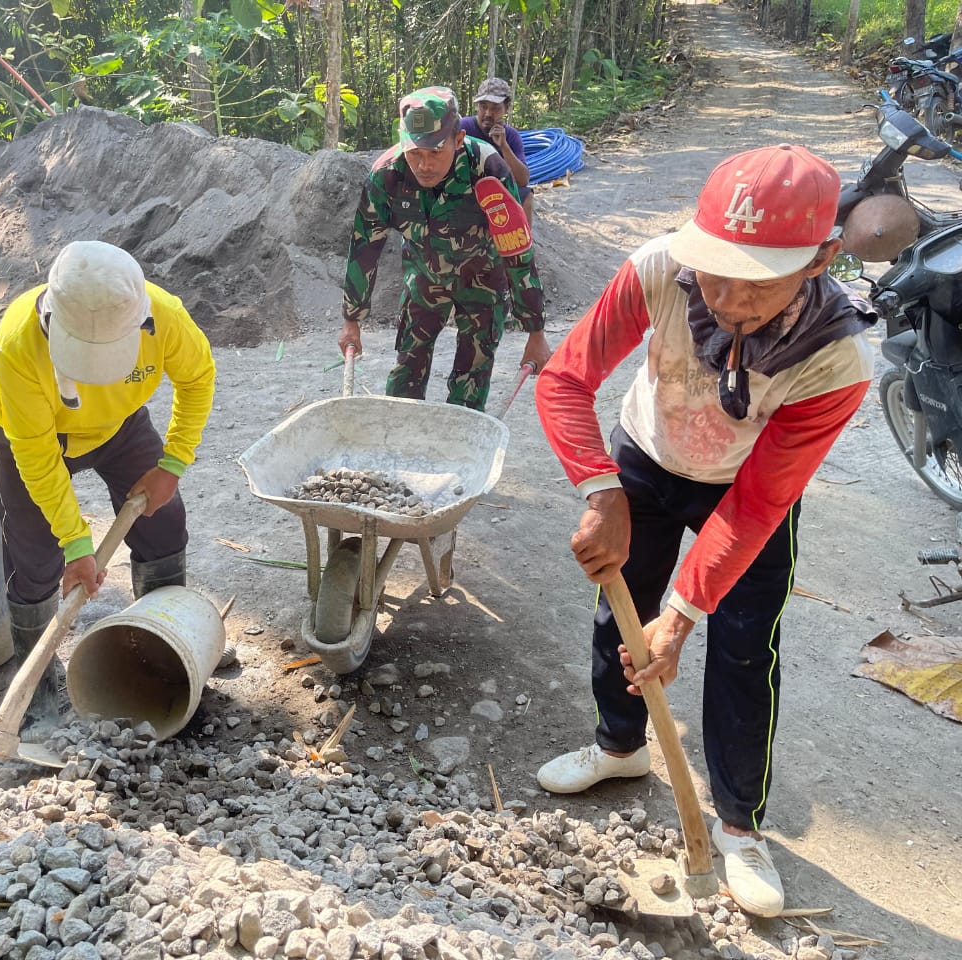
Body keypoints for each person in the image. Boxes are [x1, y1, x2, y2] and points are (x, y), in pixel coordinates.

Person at [533, 145, 875, 917]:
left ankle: (738, 825)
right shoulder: (658, 269)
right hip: (646, 460)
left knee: (744, 651)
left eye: (755, 282)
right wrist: (600, 489)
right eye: (714, 269)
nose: (725, 297)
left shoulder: (836, 360)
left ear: (822, 257)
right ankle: (620, 748)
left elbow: (757, 506)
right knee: (618, 612)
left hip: (746, 491)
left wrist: (683, 616)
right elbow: (565, 379)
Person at [0, 240, 216, 723]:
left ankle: (169, 641)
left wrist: (172, 464)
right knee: (33, 558)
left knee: (164, 522)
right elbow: (37, 457)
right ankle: (37, 682)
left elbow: (197, 379)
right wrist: (75, 543)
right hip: (35, 436)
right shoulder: (18, 343)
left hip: (120, 425)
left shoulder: (165, 316)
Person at [337, 85, 552, 412]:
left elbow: (517, 252)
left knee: (470, 382)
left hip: (482, 281)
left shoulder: (487, 169)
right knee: (406, 374)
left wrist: (535, 331)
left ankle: (459, 453)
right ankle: (398, 448)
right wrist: (351, 319)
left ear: (458, 140)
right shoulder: (387, 176)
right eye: (415, 153)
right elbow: (364, 249)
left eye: (435, 152)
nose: (424, 165)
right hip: (424, 280)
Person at [460, 77, 535, 228]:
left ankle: (523, 247)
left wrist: (504, 146)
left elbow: (522, 181)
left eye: (495, 108)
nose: (488, 113)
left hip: (497, 195)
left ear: (506, 108)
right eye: (483, 106)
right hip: (464, 191)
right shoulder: (463, 128)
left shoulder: (511, 136)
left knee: (526, 195)